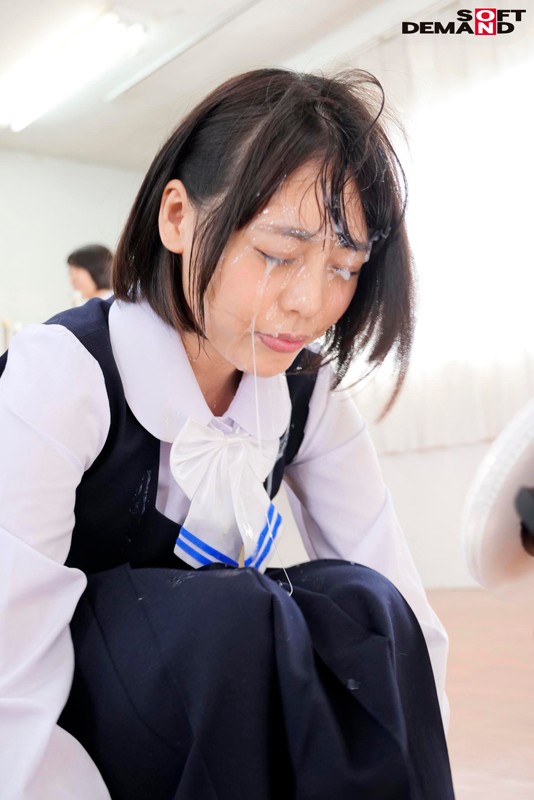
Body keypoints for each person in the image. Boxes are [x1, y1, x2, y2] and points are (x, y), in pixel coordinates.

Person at [0, 68, 455, 799]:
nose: (310, 303)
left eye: (343, 267)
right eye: (278, 254)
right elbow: (9, 666)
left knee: (363, 603)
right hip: (66, 706)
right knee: (237, 620)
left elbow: (396, 592)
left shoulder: (304, 389)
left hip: (210, 700)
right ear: (178, 218)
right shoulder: (64, 372)